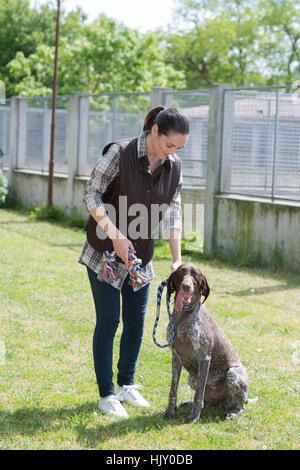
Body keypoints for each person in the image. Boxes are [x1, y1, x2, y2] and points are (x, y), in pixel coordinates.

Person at [78, 106, 189, 419]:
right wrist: (115, 234)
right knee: (110, 320)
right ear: (155, 131)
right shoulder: (120, 153)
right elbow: (91, 194)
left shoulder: (173, 166)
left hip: (140, 257)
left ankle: (126, 384)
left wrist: (177, 260)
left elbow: (173, 213)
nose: (173, 153)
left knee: (136, 323)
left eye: (179, 148)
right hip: (105, 252)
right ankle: (106, 394)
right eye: (170, 145)